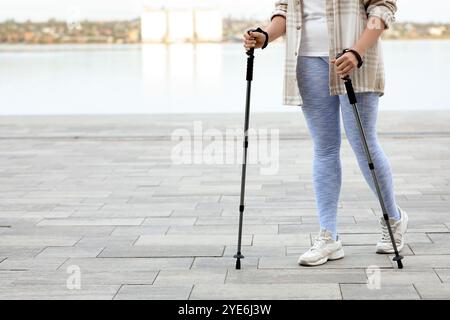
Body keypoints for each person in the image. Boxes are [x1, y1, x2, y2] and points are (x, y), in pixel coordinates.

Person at [243, 0, 408, 266]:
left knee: (363, 144)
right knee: (324, 147)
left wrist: (358, 50)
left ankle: (393, 218)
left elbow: (382, 8)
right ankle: (328, 236)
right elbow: (284, 10)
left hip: (354, 58)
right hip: (307, 59)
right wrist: (265, 36)